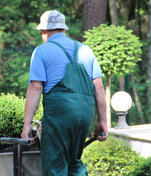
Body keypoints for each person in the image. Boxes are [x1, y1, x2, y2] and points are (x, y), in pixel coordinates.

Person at [21, 10, 108, 176]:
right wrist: (103, 121)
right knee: (74, 162)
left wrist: (27, 126)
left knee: (55, 164)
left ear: (43, 32)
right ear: (64, 30)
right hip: (85, 114)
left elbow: (36, 87)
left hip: (59, 114)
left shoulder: (41, 51)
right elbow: (99, 87)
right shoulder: (86, 50)